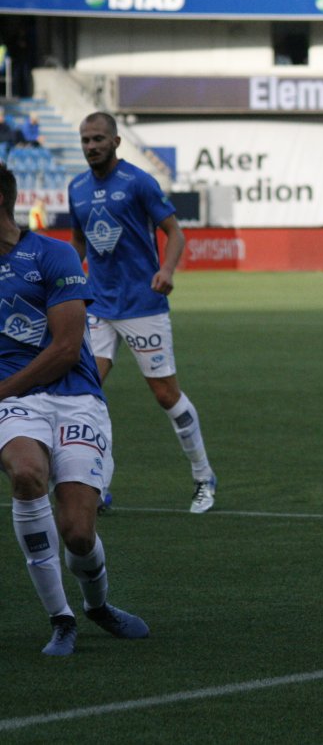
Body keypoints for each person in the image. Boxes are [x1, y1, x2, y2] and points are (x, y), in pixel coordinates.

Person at [0, 162, 150, 656]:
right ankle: (60, 618)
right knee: (26, 474)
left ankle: (96, 605)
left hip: (76, 396)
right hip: (18, 403)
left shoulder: (53, 254)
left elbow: (66, 349)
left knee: (79, 534)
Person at [68, 113, 218, 514]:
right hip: (99, 305)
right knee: (86, 393)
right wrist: (64, 278)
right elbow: (79, 242)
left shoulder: (138, 182)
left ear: (116, 142)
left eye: (98, 139)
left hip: (142, 304)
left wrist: (166, 270)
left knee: (165, 394)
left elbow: (175, 232)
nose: (91, 146)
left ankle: (204, 476)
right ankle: (98, 485)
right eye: (85, 140)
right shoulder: (76, 188)